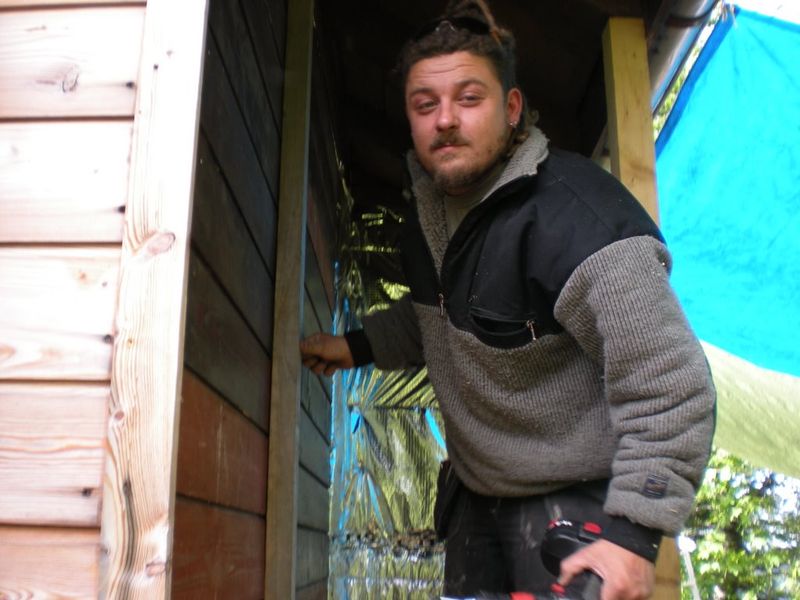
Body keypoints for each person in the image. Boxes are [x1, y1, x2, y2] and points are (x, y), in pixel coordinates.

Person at [300, 1, 716, 598]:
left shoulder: (579, 222)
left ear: (512, 108)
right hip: (477, 499)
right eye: (425, 104)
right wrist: (353, 347)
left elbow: (670, 384)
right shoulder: (427, 215)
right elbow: (434, 321)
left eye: (469, 98)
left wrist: (634, 534)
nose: (446, 120)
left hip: (575, 498)